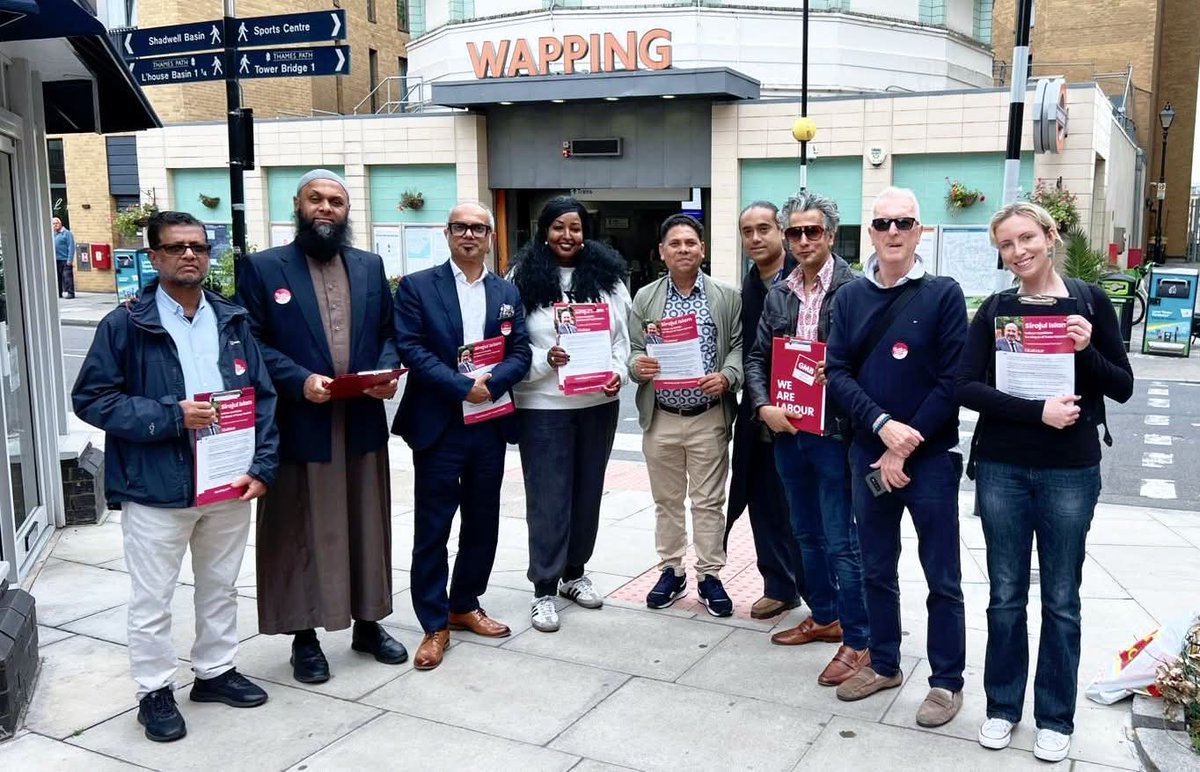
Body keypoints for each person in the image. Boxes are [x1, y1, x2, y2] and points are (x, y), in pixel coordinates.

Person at [72, 210, 278, 743]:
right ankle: (155, 690)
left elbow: (263, 398)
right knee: (152, 599)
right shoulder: (125, 323)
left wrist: (262, 466)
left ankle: (215, 671)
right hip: (156, 486)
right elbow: (92, 399)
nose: (190, 255)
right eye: (176, 247)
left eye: (198, 247)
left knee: (220, 588)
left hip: (227, 482)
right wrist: (169, 415)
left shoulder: (232, 319)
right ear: (155, 256)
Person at [958, 202, 1133, 762]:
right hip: (1004, 467)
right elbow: (965, 386)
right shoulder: (995, 310)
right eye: (1007, 245)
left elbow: (1122, 386)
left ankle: (1055, 717)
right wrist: (1036, 414)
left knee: (1061, 598)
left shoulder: (1088, 301)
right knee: (1005, 596)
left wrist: (1088, 351)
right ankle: (1003, 707)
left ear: (1050, 236)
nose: (1019, 251)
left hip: (1070, 472)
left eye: (1027, 238)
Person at [235, 169, 407, 684]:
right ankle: (303, 637)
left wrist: (384, 373)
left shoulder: (370, 266)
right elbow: (251, 343)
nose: (326, 208)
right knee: (299, 531)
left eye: (336, 200)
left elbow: (388, 333)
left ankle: (369, 622)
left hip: (360, 420)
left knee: (366, 523)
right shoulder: (264, 269)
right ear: (298, 205)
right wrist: (298, 379)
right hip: (299, 422)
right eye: (317, 199)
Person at [824, 187, 967, 727]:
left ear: (919, 230)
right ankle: (884, 662)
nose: (892, 232)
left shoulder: (943, 294)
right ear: (871, 231)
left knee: (942, 576)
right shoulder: (851, 298)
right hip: (869, 453)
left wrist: (907, 442)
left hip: (928, 461)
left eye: (903, 222)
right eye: (882, 223)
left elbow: (955, 378)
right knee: (877, 570)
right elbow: (837, 373)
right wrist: (883, 429)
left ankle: (946, 681)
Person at [393, 202, 531, 669]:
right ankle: (434, 624)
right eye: (460, 227)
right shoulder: (417, 287)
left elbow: (521, 350)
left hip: (488, 422)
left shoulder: (506, 290)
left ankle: (464, 603)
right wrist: (460, 386)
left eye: (478, 228)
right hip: (439, 424)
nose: (469, 234)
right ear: (447, 233)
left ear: (490, 236)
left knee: (482, 521)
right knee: (433, 527)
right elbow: (409, 346)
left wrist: (490, 385)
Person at [744, 192, 871, 686]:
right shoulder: (779, 291)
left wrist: (837, 371)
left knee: (843, 540)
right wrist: (762, 406)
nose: (801, 240)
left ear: (831, 235)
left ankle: (859, 640)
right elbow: (757, 358)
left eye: (811, 231)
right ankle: (824, 615)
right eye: (794, 231)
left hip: (835, 434)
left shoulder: (855, 289)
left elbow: (870, 363)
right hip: (788, 430)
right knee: (805, 533)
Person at [510, 195, 630, 633]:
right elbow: (512, 347)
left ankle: (574, 574)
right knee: (548, 497)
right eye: (559, 227)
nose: (567, 236)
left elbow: (622, 341)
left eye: (575, 228)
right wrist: (548, 359)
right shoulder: (521, 278)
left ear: (586, 232)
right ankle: (543, 586)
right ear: (544, 231)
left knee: (587, 492)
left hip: (598, 404)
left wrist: (618, 373)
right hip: (543, 407)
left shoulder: (610, 279)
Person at [629, 213, 742, 617]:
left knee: (709, 501)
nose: (683, 249)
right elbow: (634, 348)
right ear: (662, 252)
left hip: (707, 414)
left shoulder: (726, 296)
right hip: (660, 414)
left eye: (690, 243)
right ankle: (671, 571)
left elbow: (739, 346)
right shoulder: (645, 297)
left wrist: (729, 375)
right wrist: (637, 364)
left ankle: (710, 575)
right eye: (674, 243)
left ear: (703, 249)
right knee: (667, 500)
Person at [725, 200, 807, 620]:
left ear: (781, 233)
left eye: (764, 229)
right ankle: (778, 585)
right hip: (759, 410)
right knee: (761, 500)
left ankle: (821, 596)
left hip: (804, 413)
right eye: (747, 231)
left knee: (804, 507)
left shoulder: (803, 279)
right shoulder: (749, 286)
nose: (755, 238)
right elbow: (750, 354)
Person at [52, 216, 75, 299]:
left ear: (60, 223)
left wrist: (70, 259)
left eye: (56, 223)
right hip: (56, 259)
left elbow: (71, 246)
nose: (55, 225)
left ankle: (70, 293)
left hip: (65, 259)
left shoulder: (67, 233)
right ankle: (59, 293)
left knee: (67, 277)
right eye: (53, 224)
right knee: (57, 277)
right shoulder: (53, 234)